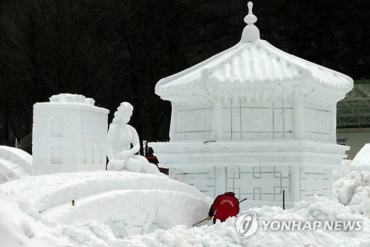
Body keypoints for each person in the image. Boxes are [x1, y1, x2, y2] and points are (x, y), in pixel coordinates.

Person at [106, 102, 159, 174]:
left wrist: (130, 152)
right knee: (136, 166)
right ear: (121, 114)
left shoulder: (131, 129)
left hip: (129, 155)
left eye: (129, 115)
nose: (128, 117)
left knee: (145, 163)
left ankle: (158, 175)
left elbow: (137, 145)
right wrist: (112, 160)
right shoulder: (114, 128)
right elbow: (109, 145)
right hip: (118, 157)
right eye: (126, 114)